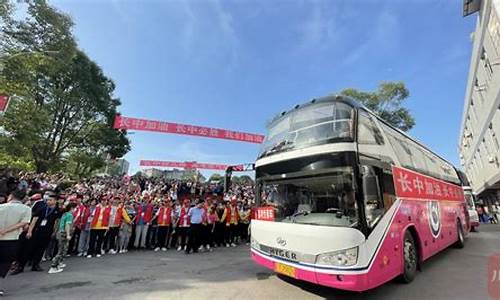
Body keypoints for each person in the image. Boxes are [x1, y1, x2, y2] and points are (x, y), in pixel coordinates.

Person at [12, 191, 61, 274]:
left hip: (47, 232)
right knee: (28, 248)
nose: (48, 201)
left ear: (55, 201)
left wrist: (54, 231)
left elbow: (56, 221)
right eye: (48, 200)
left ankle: (36, 264)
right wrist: (30, 231)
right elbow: (34, 220)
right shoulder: (42, 208)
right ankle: (21, 266)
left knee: (41, 249)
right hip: (36, 231)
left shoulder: (57, 210)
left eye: (50, 200)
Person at [0, 189, 31, 296]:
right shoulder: (26, 209)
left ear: (11, 196)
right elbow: (24, 224)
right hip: (11, 240)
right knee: (4, 264)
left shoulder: (1, 207)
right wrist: (7, 230)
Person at [48, 202, 77, 274]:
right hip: (63, 233)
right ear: (72, 208)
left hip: (60, 233)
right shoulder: (69, 215)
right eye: (75, 208)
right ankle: (53, 266)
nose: (75, 209)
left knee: (62, 249)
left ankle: (58, 264)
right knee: (61, 250)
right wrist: (68, 234)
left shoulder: (64, 214)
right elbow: (67, 225)